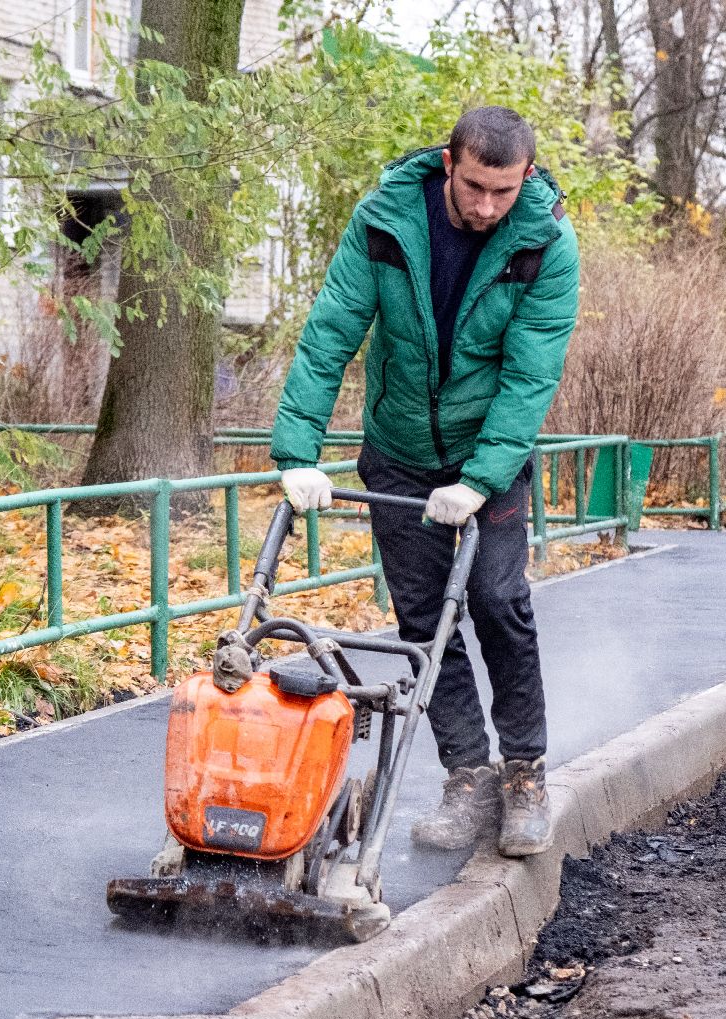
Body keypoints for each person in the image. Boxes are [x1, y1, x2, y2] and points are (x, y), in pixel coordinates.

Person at [269, 107, 580, 858]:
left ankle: (525, 773)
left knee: (497, 602)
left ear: (526, 178)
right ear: (450, 162)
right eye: (475, 186)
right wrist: (297, 451)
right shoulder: (384, 221)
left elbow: (529, 376)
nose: (485, 207)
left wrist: (479, 479)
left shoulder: (546, 246)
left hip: (488, 459)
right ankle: (468, 775)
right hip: (400, 453)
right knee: (421, 624)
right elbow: (332, 330)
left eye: (503, 192)